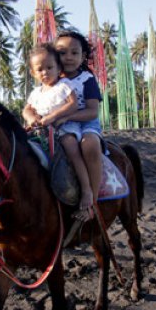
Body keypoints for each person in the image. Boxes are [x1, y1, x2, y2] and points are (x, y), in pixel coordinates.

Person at [22, 42, 95, 221]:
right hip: (41, 129)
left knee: (71, 147)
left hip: (64, 125)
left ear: (58, 68)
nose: (45, 72)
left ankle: (86, 190)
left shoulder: (63, 85)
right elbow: (26, 110)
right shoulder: (36, 92)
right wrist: (32, 119)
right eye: (40, 69)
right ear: (33, 73)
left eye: (49, 67)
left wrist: (53, 117)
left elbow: (73, 104)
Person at [53, 31, 105, 220]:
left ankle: (93, 201)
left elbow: (92, 111)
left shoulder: (87, 79)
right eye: (62, 52)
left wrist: (67, 117)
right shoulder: (52, 80)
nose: (68, 57)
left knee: (89, 144)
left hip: (85, 121)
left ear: (83, 56)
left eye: (74, 53)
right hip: (63, 124)